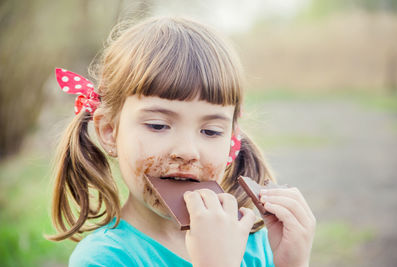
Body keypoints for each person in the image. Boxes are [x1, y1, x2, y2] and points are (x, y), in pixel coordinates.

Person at [48, 16, 316, 267]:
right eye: (158, 125)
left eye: (211, 131)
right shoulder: (104, 259)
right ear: (109, 131)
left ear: (232, 139)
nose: (187, 152)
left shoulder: (253, 240)